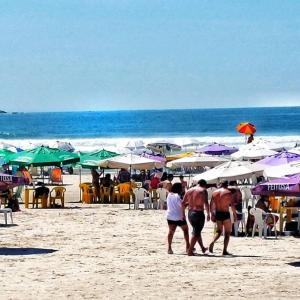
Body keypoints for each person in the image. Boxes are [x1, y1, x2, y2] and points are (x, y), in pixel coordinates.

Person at [182, 179, 210, 256]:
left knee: (197, 231)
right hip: (198, 213)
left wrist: (182, 214)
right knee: (196, 232)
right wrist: (208, 213)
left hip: (190, 213)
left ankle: (202, 248)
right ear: (204, 185)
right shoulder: (203, 190)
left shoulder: (189, 190)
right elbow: (206, 203)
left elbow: (183, 203)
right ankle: (190, 250)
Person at [209, 181, 237, 255]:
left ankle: (212, 242)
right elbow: (232, 205)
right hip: (225, 213)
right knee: (227, 233)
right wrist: (235, 215)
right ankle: (224, 250)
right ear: (227, 185)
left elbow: (211, 205)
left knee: (219, 231)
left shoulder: (214, 193)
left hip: (218, 213)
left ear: (220, 184)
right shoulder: (228, 193)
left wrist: (212, 214)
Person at [166, 182, 190, 254]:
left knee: (171, 232)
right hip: (178, 216)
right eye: (182, 188)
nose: (182, 189)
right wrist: (188, 203)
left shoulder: (169, 195)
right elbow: (182, 205)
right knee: (185, 230)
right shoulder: (177, 196)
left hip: (170, 215)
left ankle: (169, 248)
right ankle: (187, 247)